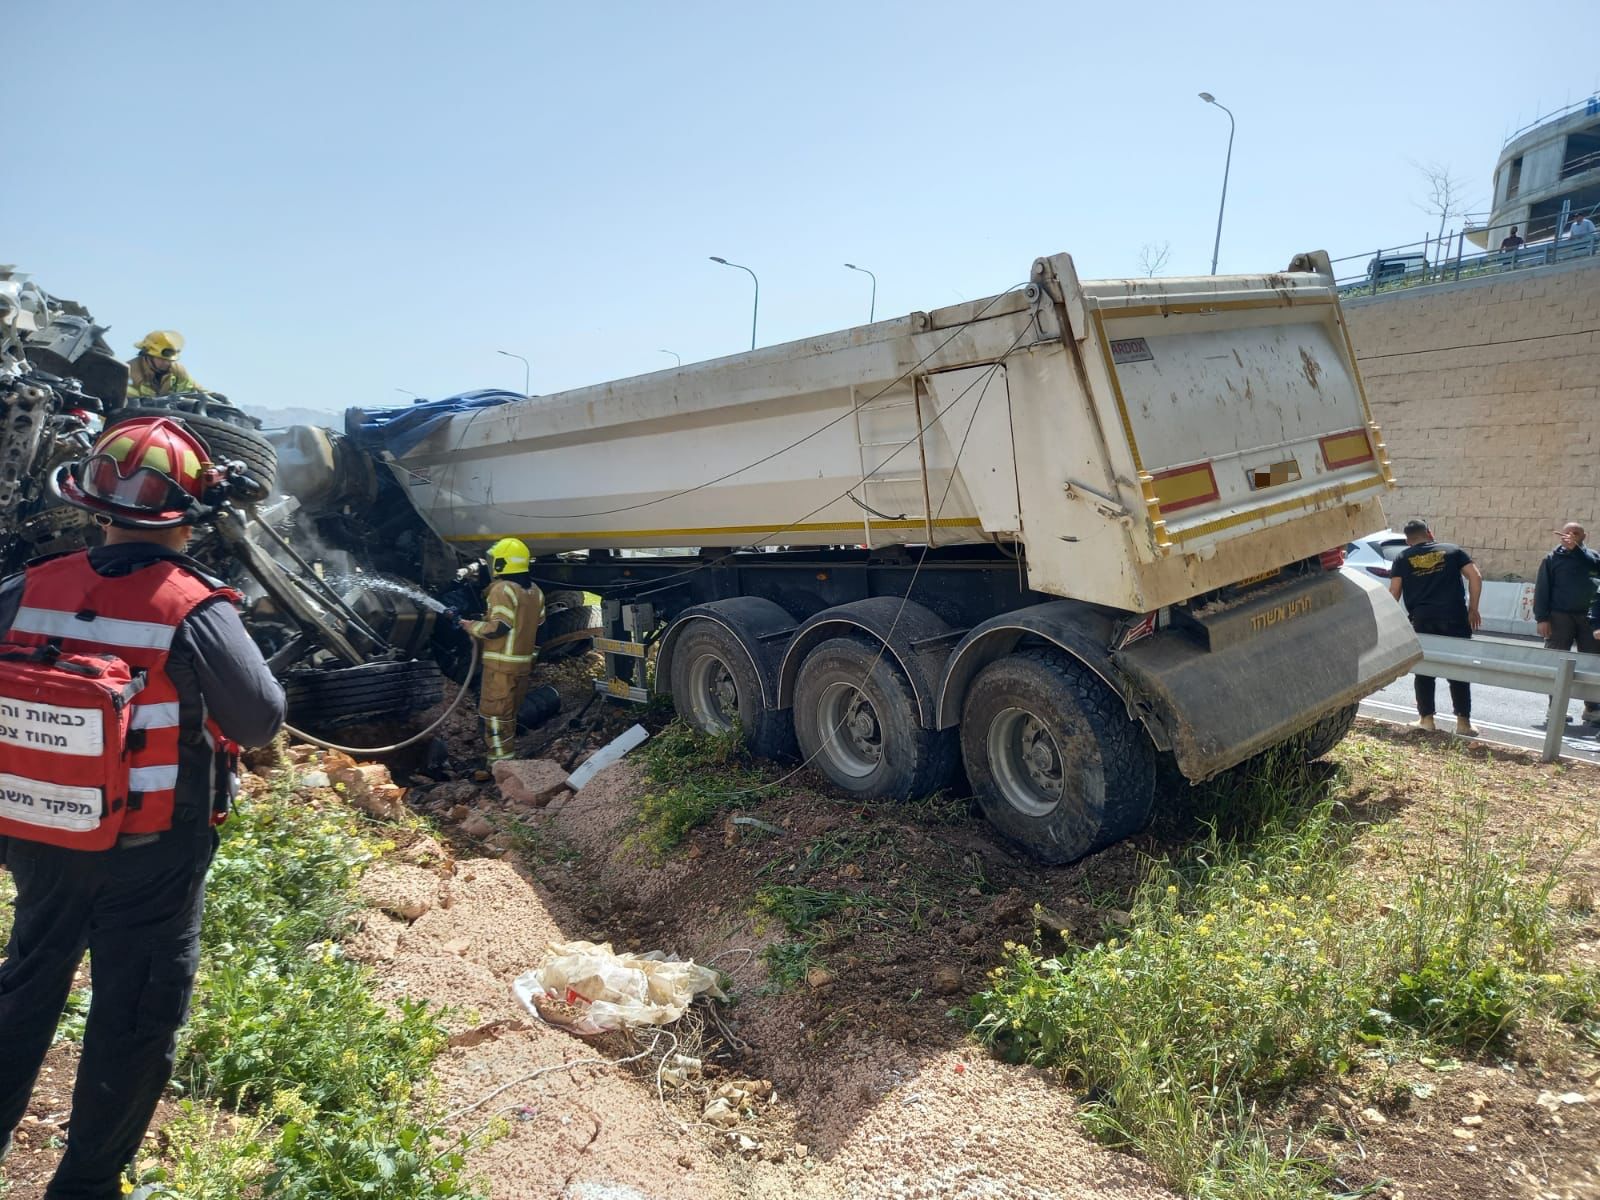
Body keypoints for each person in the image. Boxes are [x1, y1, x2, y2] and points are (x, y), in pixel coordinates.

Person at [0, 415, 284, 1196]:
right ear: (192, 514)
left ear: (94, 505)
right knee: (135, 1016)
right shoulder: (195, 606)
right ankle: (83, 1187)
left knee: (27, 981)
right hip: (152, 855)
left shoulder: (30, 587)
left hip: (40, 836)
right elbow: (260, 719)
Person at [1388, 519, 1483, 736]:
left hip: (1423, 619)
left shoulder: (1403, 557)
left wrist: (1390, 621)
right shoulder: (1452, 550)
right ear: (1429, 533)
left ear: (1407, 540)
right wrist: (1473, 609)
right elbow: (1475, 577)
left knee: (1424, 669)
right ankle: (1463, 723)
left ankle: (1427, 720)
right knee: (1458, 668)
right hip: (1456, 618)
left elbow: (1394, 592)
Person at [458, 537, 543, 762]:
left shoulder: (502, 589)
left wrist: (472, 626)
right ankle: (506, 759)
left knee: (495, 716)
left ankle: (499, 766)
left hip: (500, 667)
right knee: (508, 715)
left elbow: (499, 627)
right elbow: (536, 623)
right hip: (522, 666)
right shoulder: (535, 591)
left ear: (502, 563)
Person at [1533, 522, 1600, 724]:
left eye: (1576, 533)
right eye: (1568, 532)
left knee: (1592, 662)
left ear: (1584, 536)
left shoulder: (1592, 557)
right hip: (1559, 617)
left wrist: (1577, 551)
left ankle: (1592, 707)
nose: (1571, 535)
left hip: (1589, 618)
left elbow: (1595, 568)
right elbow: (1542, 589)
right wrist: (1542, 618)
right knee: (1557, 661)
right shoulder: (1552, 558)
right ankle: (1556, 708)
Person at [125, 330, 204, 399]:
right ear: (147, 355)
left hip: (169, 415)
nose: (167, 363)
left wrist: (213, 396)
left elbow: (197, 390)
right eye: (162, 359)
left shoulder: (177, 371)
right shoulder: (127, 373)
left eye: (169, 360)